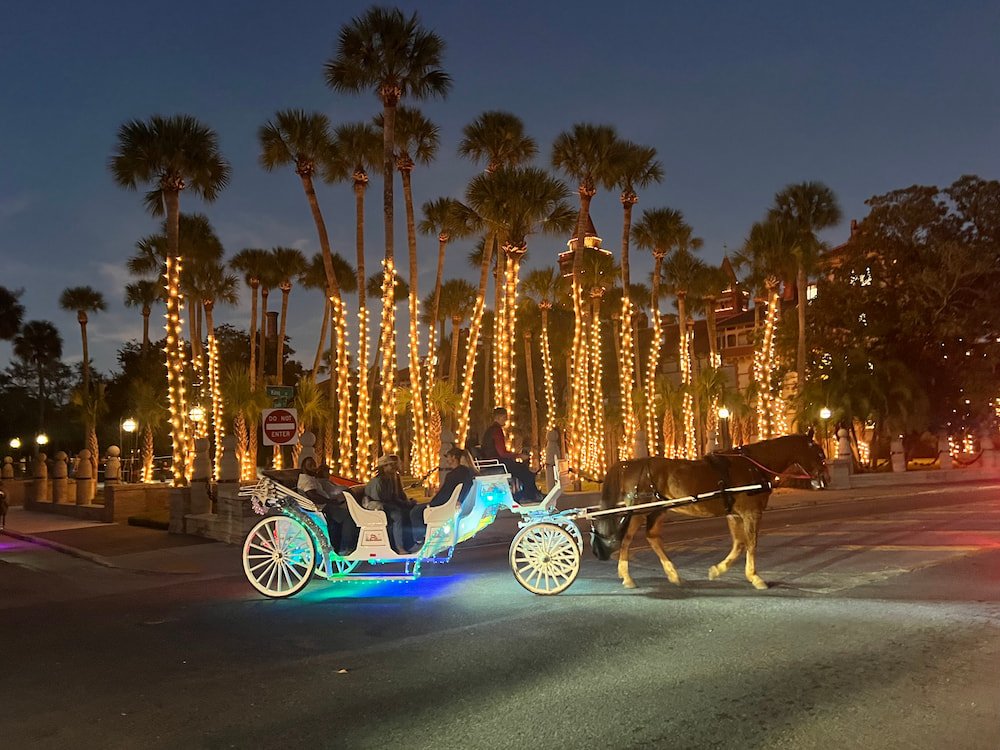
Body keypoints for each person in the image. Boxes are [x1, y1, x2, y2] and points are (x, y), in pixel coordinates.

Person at [480, 407, 542, 503]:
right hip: (498, 462)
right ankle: (529, 495)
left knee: (522, 469)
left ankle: (530, 493)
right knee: (525, 471)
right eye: (505, 417)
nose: (506, 420)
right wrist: (518, 456)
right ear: (499, 417)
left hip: (494, 461)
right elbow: (502, 453)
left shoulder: (490, 430)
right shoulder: (497, 431)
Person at [363, 454, 418, 552]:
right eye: (390, 465)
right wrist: (393, 506)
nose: (393, 467)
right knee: (397, 516)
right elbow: (378, 500)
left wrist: (406, 504)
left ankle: (409, 543)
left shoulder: (388, 480)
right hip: (375, 508)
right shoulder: (377, 481)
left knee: (406, 511)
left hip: (384, 506)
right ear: (384, 467)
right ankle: (399, 547)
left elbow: (393, 497)